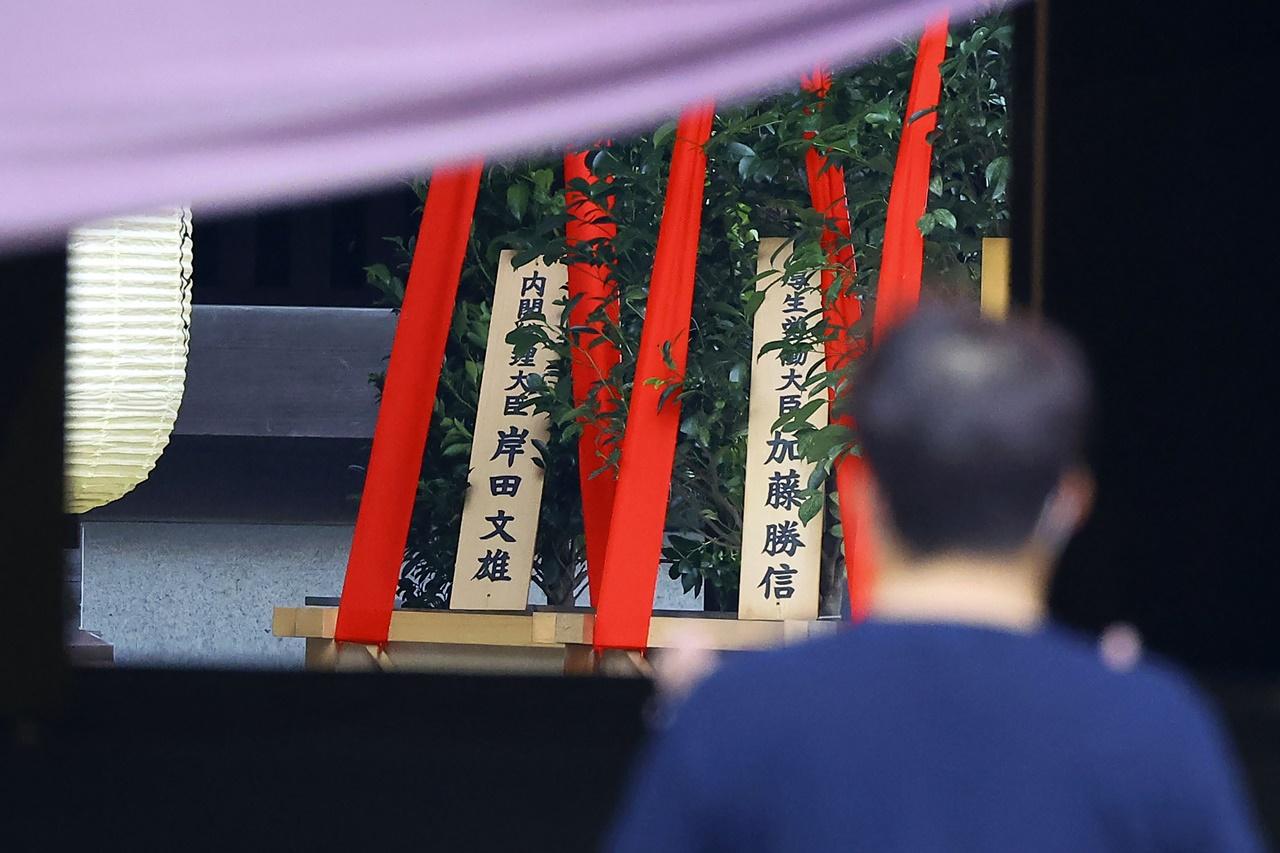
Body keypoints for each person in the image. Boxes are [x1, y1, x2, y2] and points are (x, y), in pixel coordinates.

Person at [608, 304, 1264, 852]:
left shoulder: (729, 720)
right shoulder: (1155, 728)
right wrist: (1123, 708)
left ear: (864, 498)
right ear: (1068, 503)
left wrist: (699, 717)